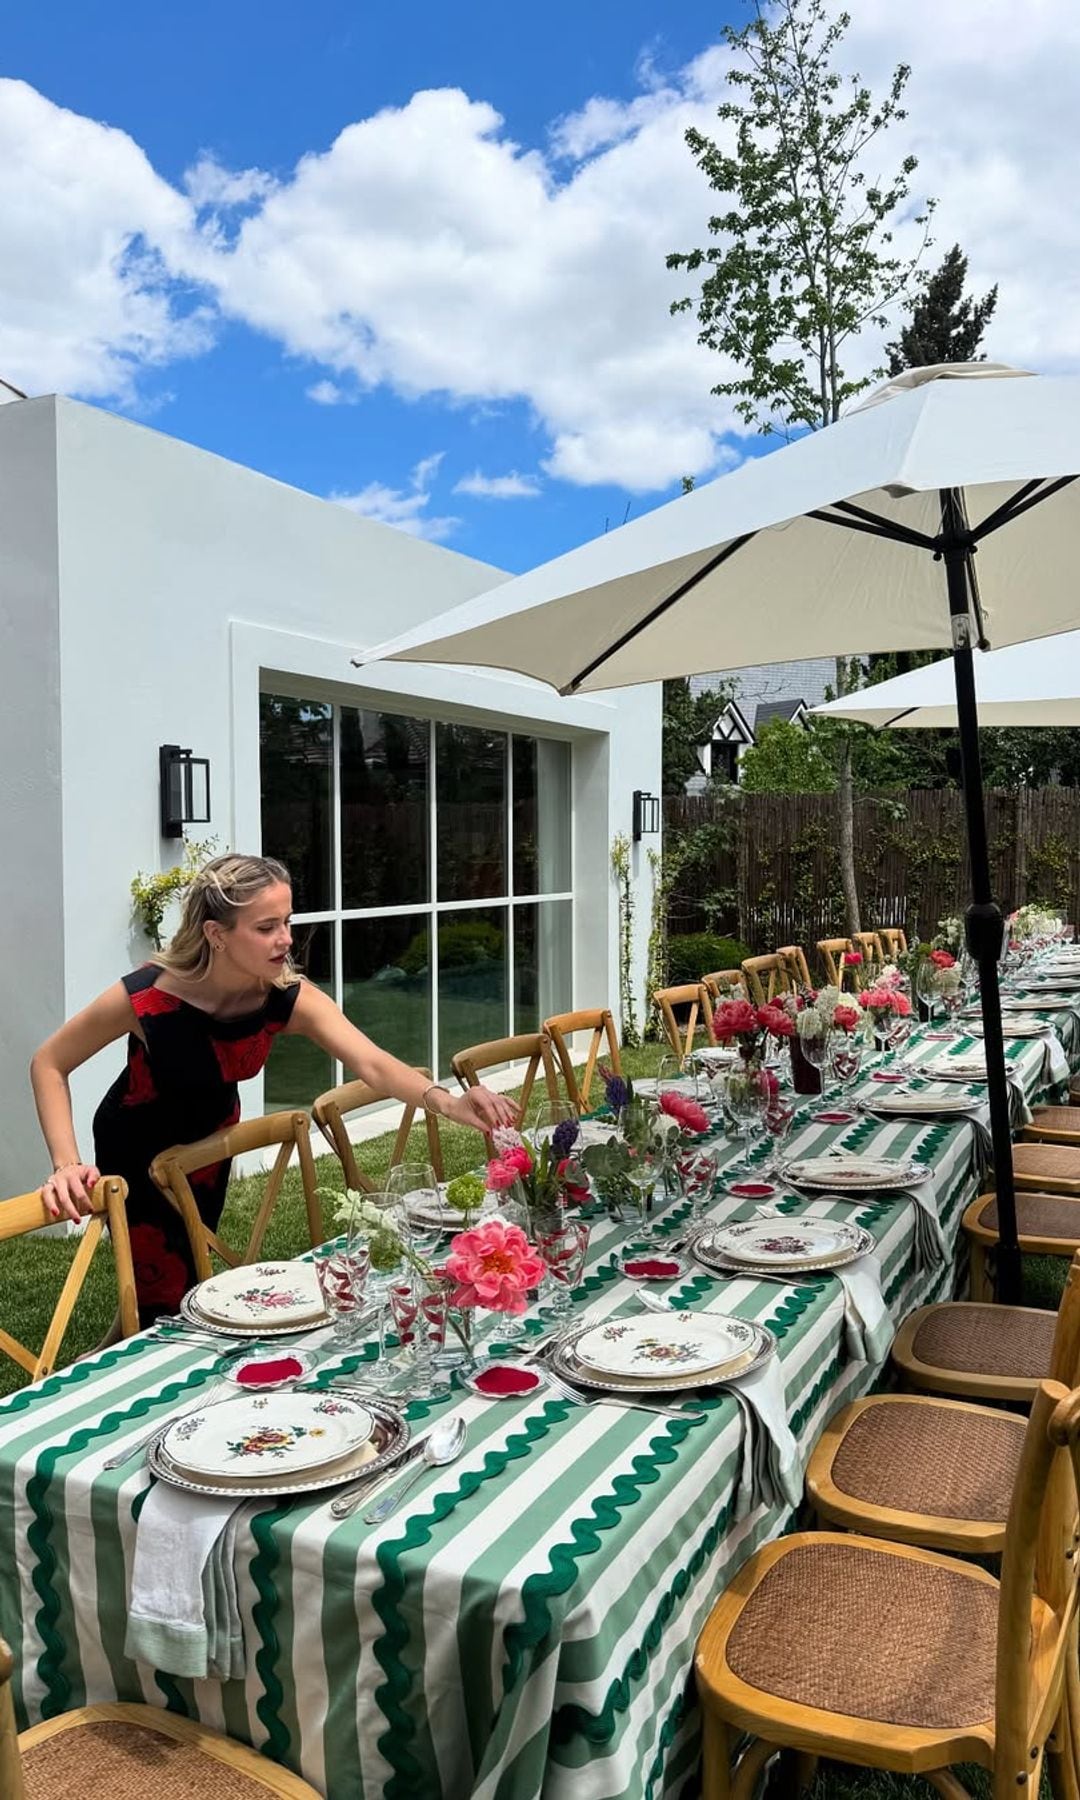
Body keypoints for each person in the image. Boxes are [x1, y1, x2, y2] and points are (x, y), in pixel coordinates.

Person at [31, 853, 519, 1325]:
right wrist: (66, 1164)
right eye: (266, 928)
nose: (285, 939)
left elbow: (372, 1063)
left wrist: (450, 1102)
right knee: (164, 1293)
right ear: (216, 934)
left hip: (208, 1148)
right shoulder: (149, 997)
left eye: (287, 922)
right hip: (137, 1147)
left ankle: (118, 1341)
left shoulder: (282, 996)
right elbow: (49, 1062)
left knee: (181, 1283)